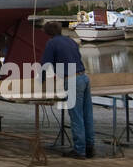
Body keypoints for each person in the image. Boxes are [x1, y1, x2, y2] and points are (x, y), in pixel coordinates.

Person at [40, 24, 94, 158]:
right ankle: (90, 147)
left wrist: (39, 82)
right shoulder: (70, 40)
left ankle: (79, 150)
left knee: (76, 116)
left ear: (48, 33)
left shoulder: (52, 43)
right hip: (84, 77)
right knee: (87, 114)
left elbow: (45, 64)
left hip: (72, 80)